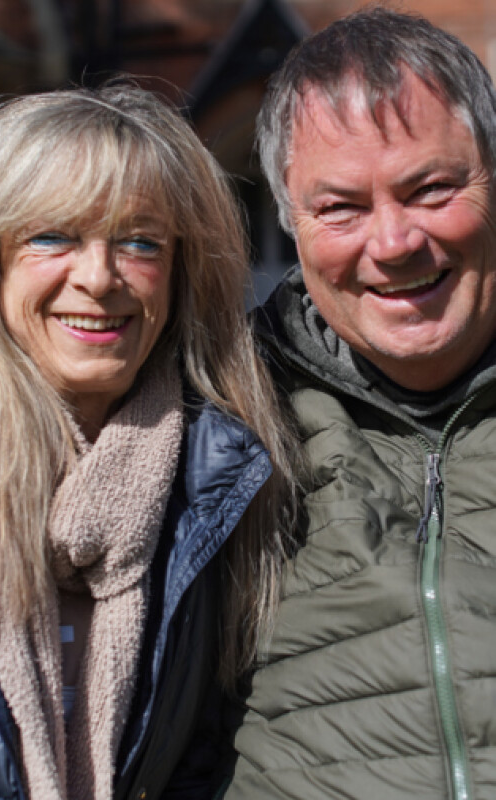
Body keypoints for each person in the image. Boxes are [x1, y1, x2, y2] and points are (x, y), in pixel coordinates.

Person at [0, 81, 295, 800]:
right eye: (51, 236)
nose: (99, 277)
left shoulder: (226, 480)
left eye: (140, 241)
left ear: (179, 273)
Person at [221, 7, 496, 800]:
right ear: (290, 223)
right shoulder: (218, 422)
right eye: (340, 207)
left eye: (431, 189)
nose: (394, 242)